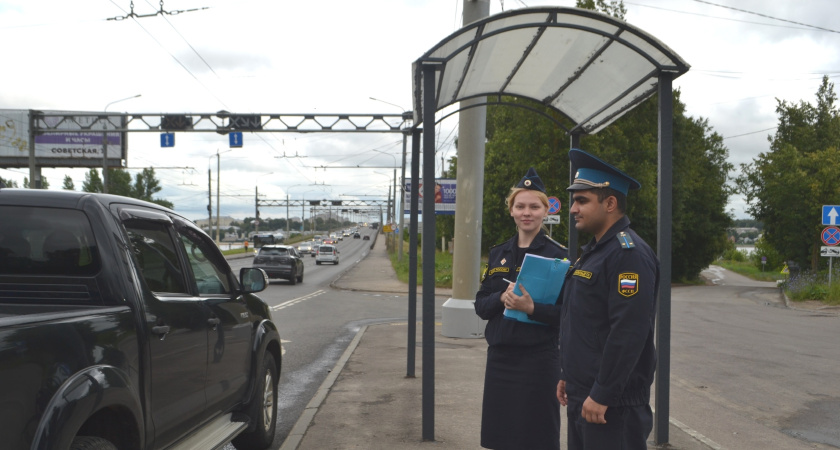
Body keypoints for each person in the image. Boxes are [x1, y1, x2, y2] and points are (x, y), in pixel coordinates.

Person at [556, 149, 660, 450]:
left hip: (611, 406)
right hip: (585, 396)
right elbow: (581, 321)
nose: (573, 208)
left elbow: (628, 332)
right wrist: (568, 375)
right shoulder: (596, 252)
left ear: (610, 203)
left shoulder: (629, 255)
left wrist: (603, 393)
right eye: (574, 200)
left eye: (582, 200)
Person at [474, 167, 568, 450]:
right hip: (501, 358)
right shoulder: (498, 253)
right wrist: (501, 298)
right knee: (499, 436)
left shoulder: (559, 257)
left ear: (545, 210)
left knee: (538, 436)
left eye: (534, 206)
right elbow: (480, 305)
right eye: (520, 206)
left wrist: (531, 308)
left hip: (539, 360)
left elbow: (567, 314)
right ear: (512, 211)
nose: (527, 212)